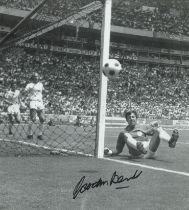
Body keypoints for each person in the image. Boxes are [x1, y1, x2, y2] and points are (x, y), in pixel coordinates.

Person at [104, 110, 179, 159]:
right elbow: (118, 150)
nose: (131, 118)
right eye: (129, 117)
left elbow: (154, 133)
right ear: (126, 120)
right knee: (126, 134)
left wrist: (154, 126)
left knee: (158, 128)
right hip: (138, 154)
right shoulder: (123, 132)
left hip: (149, 150)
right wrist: (109, 152)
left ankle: (171, 141)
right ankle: (138, 147)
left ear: (136, 118)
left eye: (133, 117)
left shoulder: (143, 127)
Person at [23, 73, 45, 140]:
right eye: (35, 77)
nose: (36, 78)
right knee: (33, 119)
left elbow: (42, 91)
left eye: (37, 76)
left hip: (40, 102)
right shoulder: (29, 85)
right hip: (33, 101)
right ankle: (30, 134)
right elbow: (24, 92)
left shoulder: (41, 84)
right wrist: (28, 90)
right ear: (32, 78)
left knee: (42, 119)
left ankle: (40, 134)